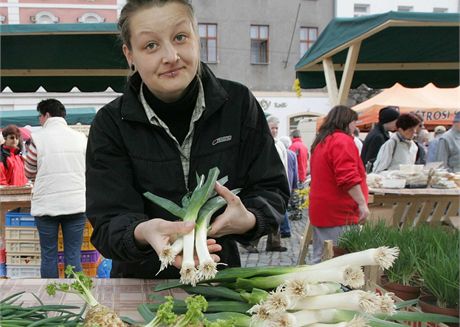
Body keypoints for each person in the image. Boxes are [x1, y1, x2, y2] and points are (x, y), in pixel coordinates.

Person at [85, 0, 289, 279]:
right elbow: (107, 223)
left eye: (180, 37)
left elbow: (272, 190)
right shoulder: (110, 124)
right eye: (150, 46)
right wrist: (143, 232)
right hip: (140, 284)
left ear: (197, 38)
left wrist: (250, 219)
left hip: (220, 279)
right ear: (129, 54)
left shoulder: (238, 104)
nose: (170, 56)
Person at [24, 99, 87, 278]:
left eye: (40, 116)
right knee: (73, 255)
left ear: (47, 115)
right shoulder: (80, 138)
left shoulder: (37, 139)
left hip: (46, 205)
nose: (39, 120)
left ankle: (50, 299)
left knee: (49, 255)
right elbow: (88, 169)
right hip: (76, 204)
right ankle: (76, 296)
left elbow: (29, 172)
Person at [309, 105, 369, 264]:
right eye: (354, 122)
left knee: (323, 257)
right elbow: (347, 177)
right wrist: (362, 204)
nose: (355, 126)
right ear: (347, 121)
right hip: (339, 212)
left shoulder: (322, 140)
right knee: (338, 262)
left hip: (323, 209)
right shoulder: (341, 140)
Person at [361, 106, 400, 172]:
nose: (397, 124)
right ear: (389, 120)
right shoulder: (378, 136)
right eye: (396, 121)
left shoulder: (379, 132)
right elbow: (372, 160)